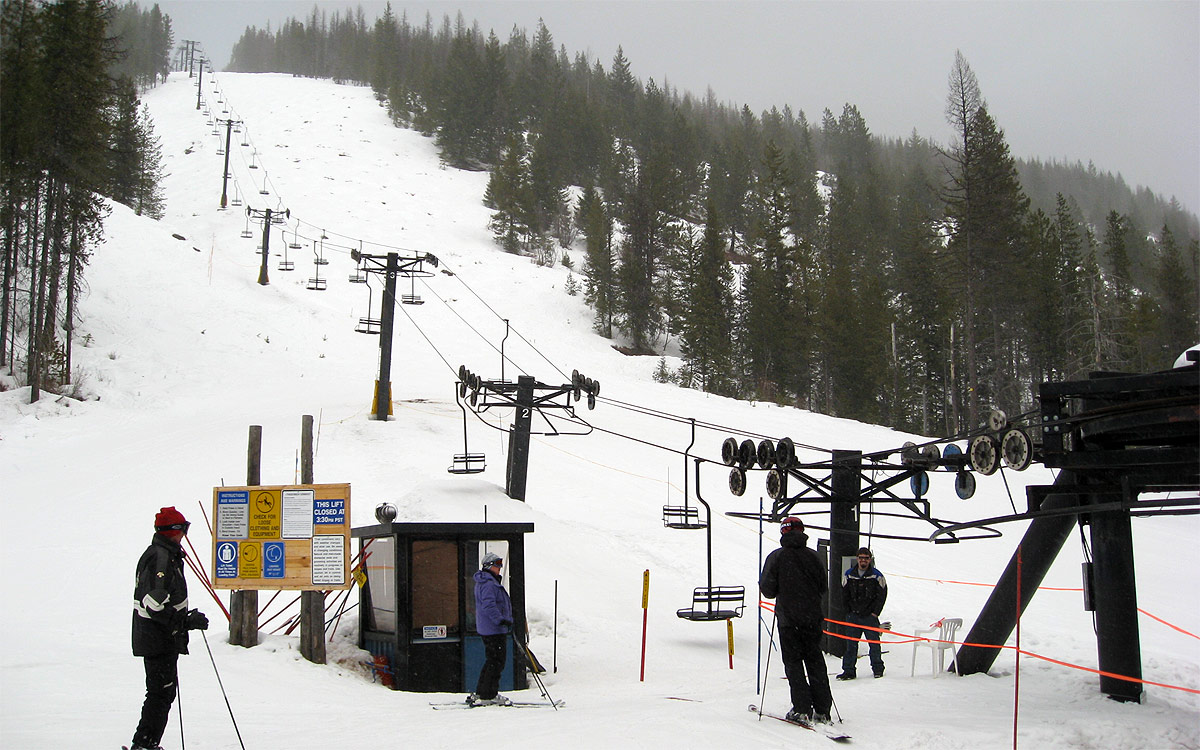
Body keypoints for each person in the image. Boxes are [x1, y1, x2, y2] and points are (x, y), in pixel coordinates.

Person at [129, 507, 209, 750]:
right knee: (160, 694)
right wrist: (185, 622)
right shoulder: (161, 558)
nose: (185, 534)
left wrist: (184, 619)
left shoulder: (166, 555)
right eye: (184, 528)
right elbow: (153, 605)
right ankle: (144, 744)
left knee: (162, 693)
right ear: (174, 531)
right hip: (157, 639)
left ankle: (147, 743)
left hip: (161, 637)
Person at [760, 516, 833, 725]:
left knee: (793, 664)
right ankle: (822, 709)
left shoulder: (777, 557)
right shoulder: (814, 556)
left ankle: (802, 708)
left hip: (789, 621)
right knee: (815, 661)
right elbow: (823, 586)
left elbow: (768, 590)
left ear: (783, 532)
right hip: (812, 618)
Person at [469, 551, 513, 707]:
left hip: (491, 629)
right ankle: (489, 694)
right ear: (489, 566)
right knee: (496, 662)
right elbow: (489, 605)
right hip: (493, 629)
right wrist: (500, 620)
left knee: (492, 661)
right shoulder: (488, 583)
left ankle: (482, 691)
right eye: (497, 564)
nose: (500, 567)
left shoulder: (488, 582)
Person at [838, 546, 888, 680]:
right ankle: (848, 671)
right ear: (857, 559)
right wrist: (848, 612)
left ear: (870, 559)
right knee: (851, 646)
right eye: (861, 558)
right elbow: (844, 594)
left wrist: (875, 613)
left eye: (866, 558)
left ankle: (878, 669)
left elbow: (882, 595)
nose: (863, 560)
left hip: (870, 617)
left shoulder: (877, 575)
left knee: (874, 644)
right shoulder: (849, 574)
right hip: (853, 616)